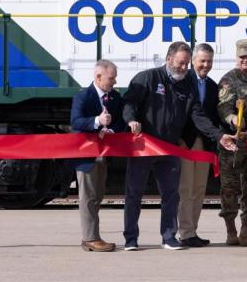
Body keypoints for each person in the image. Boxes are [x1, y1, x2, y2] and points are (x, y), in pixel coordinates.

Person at [122, 41, 237, 251]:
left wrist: (219, 136)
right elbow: (129, 102)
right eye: (180, 63)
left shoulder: (186, 87)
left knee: (171, 195)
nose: (184, 68)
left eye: (186, 65)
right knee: (134, 193)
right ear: (168, 59)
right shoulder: (148, 78)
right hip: (144, 147)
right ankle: (131, 239)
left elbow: (198, 116)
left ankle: (169, 237)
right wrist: (130, 120)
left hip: (170, 149)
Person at [69, 59, 125, 252]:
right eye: (112, 78)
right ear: (98, 76)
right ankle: (90, 238)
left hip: (103, 154)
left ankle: (92, 236)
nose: (115, 82)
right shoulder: (83, 96)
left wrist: (110, 131)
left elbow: (121, 122)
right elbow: (75, 122)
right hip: (86, 155)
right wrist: (96, 121)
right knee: (88, 196)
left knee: (98, 195)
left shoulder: (115, 97)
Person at [216, 39, 247, 246]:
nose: (245, 60)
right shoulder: (228, 80)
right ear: (236, 57)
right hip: (232, 142)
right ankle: (231, 230)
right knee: (229, 187)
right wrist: (232, 119)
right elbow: (222, 107)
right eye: (241, 57)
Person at [176, 43, 220, 248]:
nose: (206, 65)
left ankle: (192, 230)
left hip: (204, 143)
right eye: (202, 61)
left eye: (209, 61)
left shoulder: (212, 86)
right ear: (193, 60)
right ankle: (184, 232)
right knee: (186, 187)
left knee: (200, 188)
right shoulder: (183, 81)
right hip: (186, 140)